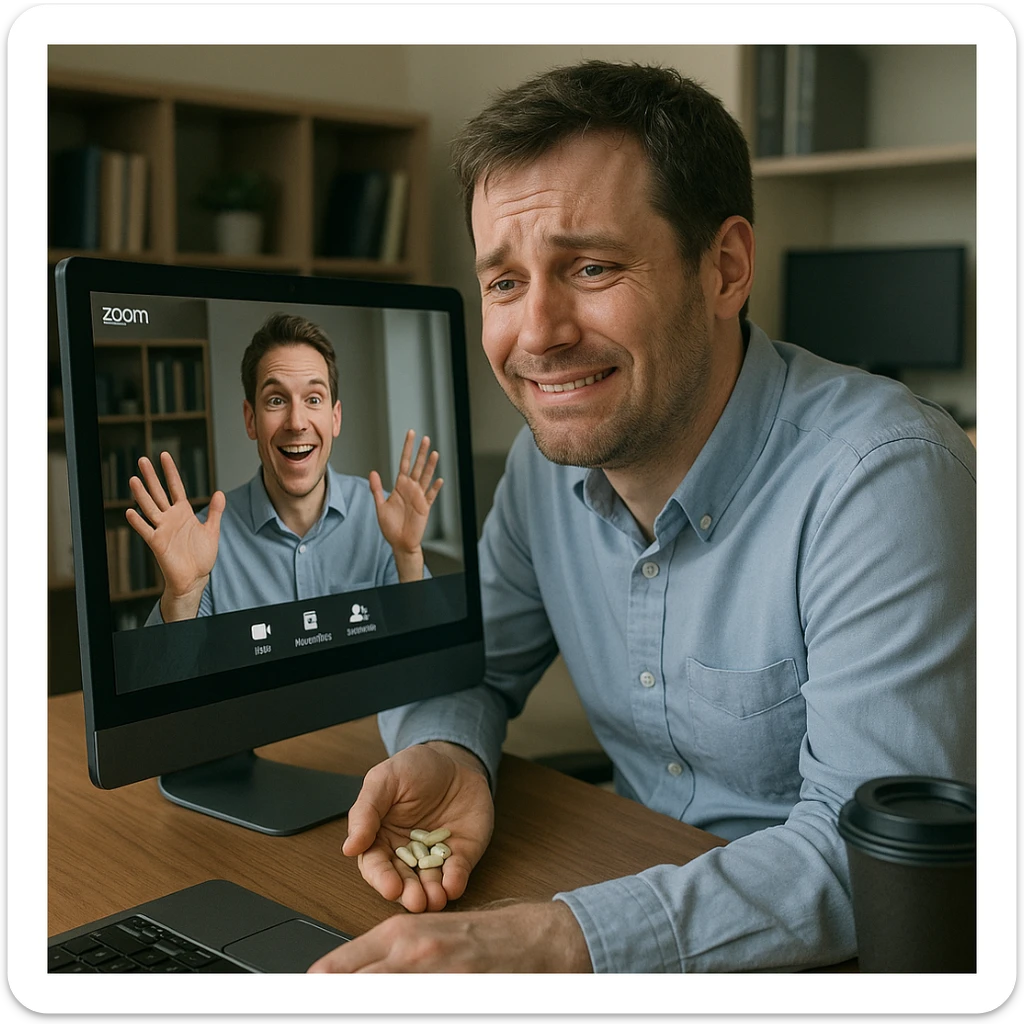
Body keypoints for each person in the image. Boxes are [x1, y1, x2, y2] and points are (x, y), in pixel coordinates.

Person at [307, 60, 976, 973]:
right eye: (503, 283)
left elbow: (865, 860)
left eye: (590, 267)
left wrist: (554, 942)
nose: (537, 333)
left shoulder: (882, 479)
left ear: (726, 268)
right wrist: (446, 752)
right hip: (626, 878)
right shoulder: (550, 469)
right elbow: (465, 664)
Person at [128, 312, 443, 623]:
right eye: (276, 400)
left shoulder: (383, 520)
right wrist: (183, 596)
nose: (296, 422)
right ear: (251, 419)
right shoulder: (204, 541)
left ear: (335, 417)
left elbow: (429, 661)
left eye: (314, 399)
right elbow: (176, 673)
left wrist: (408, 557)